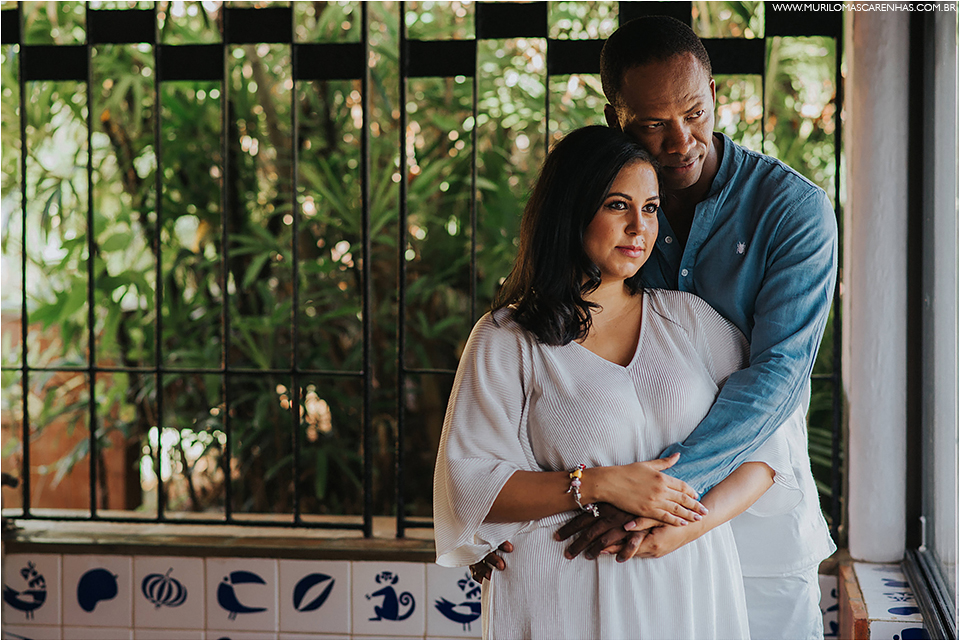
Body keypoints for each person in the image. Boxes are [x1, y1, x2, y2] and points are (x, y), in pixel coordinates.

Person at [471, 16, 838, 640]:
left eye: (694, 113)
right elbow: (549, 380)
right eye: (653, 124)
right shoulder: (606, 204)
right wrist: (497, 520)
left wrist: (667, 495)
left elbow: (777, 376)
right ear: (616, 118)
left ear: (715, 93)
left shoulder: (791, 210)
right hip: (615, 542)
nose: (681, 141)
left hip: (756, 520)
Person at [434, 125, 801, 639]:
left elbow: (769, 452)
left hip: (688, 587)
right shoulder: (507, 338)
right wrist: (598, 483)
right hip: (561, 596)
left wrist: (683, 529)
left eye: (650, 208)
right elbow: (469, 487)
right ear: (571, 209)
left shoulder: (689, 320)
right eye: (617, 205)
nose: (639, 227)